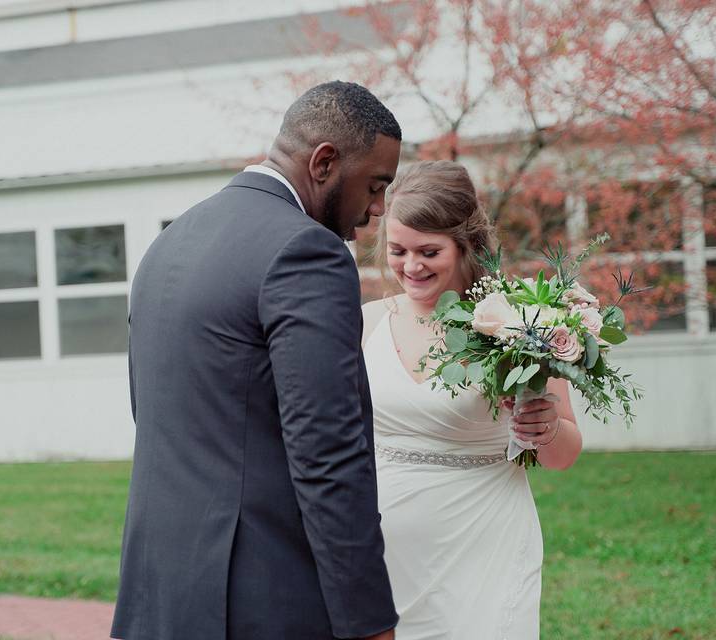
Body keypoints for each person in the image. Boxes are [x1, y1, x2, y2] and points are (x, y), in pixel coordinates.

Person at [111, 81, 402, 640]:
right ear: (323, 162)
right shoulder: (306, 253)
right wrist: (367, 619)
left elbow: (148, 412)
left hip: (158, 587)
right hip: (261, 594)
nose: (376, 209)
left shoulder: (172, 241)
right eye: (375, 184)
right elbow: (328, 454)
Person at [361, 160, 583, 639]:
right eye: (398, 250)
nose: (410, 265)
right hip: (381, 547)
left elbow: (563, 455)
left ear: (466, 245)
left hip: (485, 542)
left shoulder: (525, 319)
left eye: (429, 251)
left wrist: (543, 428)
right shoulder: (364, 322)